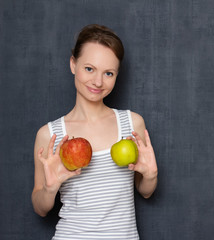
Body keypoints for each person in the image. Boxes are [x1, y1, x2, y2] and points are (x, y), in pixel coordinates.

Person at [31, 24, 158, 239]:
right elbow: (40, 208)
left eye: (108, 73)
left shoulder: (132, 124)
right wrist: (50, 188)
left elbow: (146, 191)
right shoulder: (49, 134)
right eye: (89, 69)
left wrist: (151, 175)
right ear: (73, 64)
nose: (98, 82)